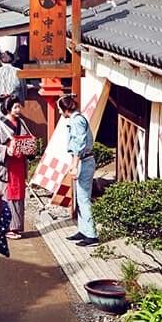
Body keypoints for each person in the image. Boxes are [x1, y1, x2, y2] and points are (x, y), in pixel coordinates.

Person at [0, 96, 32, 239]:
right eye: (15, 107)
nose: (18, 110)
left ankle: (16, 226)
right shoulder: (0, 126)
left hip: (19, 164)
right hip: (7, 165)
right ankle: (7, 227)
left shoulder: (21, 123)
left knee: (19, 196)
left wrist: (29, 146)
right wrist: (6, 150)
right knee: (8, 196)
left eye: (19, 107)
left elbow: (28, 137)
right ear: (7, 109)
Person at [59, 94, 99, 247]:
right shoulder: (76, 120)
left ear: (64, 109)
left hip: (84, 161)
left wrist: (74, 165)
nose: (59, 113)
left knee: (83, 198)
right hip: (81, 160)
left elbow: (79, 144)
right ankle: (84, 230)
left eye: (59, 109)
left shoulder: (77, 121)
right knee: (79, 197)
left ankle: (91, 235)